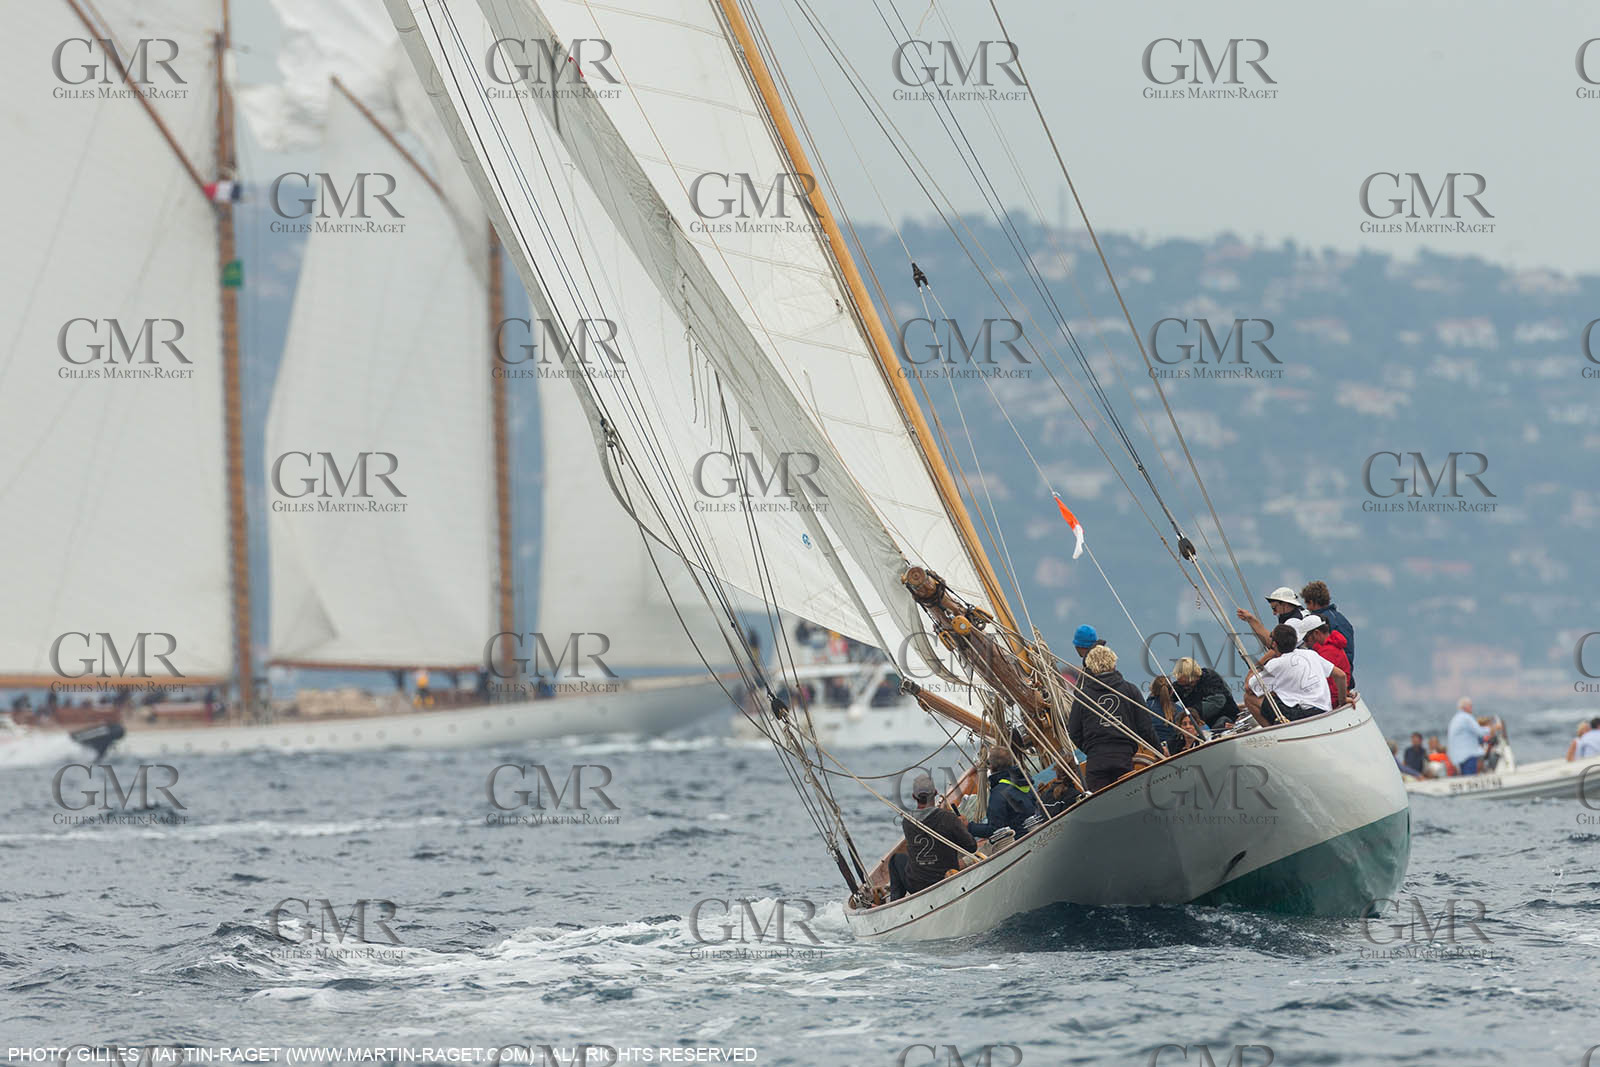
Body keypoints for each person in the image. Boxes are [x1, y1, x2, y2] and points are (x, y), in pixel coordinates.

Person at [1067, 645, 1161, 791]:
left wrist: (1091, 749)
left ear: (1091, 667)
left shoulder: (1082, 696)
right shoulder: (1130, 690)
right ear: (1114, 663)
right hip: (1123, 758)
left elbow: (1074, 732)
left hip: (1096, 761)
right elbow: (1145, 728)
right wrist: (1159, 752)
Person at [888, 773, 976, 900]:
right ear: (935, 793)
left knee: (895, 860)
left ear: (914, 796)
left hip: (916, 885)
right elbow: (971, 847)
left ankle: (895, 902)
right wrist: (963, 827)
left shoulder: (907, 822)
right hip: (946, 879)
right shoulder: (949, 818)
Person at [1243, 624, 1347, 722]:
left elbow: (1249, 688)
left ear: (1274, 644)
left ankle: (1275, 733)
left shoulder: (1275, 664)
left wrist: (1256, 666)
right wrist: (1342, 701)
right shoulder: (1310, 654)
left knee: (1249, 698)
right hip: (1324, 709)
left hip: (1304, 714)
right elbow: (1341, 675)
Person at [966, 746, 1045, 840]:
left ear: (991, 766)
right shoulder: (1024, 781)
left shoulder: (998, 793)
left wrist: (969, 827)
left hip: (1018, 840)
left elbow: (995, 830)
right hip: (1035, 832)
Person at [1171, 656, 1240, 730]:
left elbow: (1218, 701)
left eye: (1187, 684)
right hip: (1197, 722)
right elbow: (1168, 697)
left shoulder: (1210, 679)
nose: (1184, 687)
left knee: (1220, 725)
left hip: (1225, 718)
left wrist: (1192, 713)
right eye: (1181, 683)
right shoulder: (1180, 685)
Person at [1297, 616, 1353, 706]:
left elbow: (1327, 685)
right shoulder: (1329, 648)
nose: (1305, 643)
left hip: (1332, 702)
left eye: (1305, 638)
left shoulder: (1327, 652)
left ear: (1316, 633)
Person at [1300, 580, 1355, 669]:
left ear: (1312, 602)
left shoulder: (1319, 622)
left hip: (1328, 674)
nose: (1307, 608)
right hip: (1345, 674)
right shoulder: (1342, 620)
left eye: (1307, 603)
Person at [1236, 586, 1308, 649]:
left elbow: (1273, 645)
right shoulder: (1301, 614)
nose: (1274, 613)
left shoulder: (1294, 622)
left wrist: (1258, 664)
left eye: (1274, 608)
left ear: (1285, 605)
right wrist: (1251, 619)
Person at [1446, 697, 1494, 775]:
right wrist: (1493, 728)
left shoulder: (1456, 718)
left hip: (1459, 757)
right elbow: (1480, 731)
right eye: (1470, 706)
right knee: (1470, 777)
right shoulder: (1466, 717)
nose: (1472, 708)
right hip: (1468, 756)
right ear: (1465, 707)